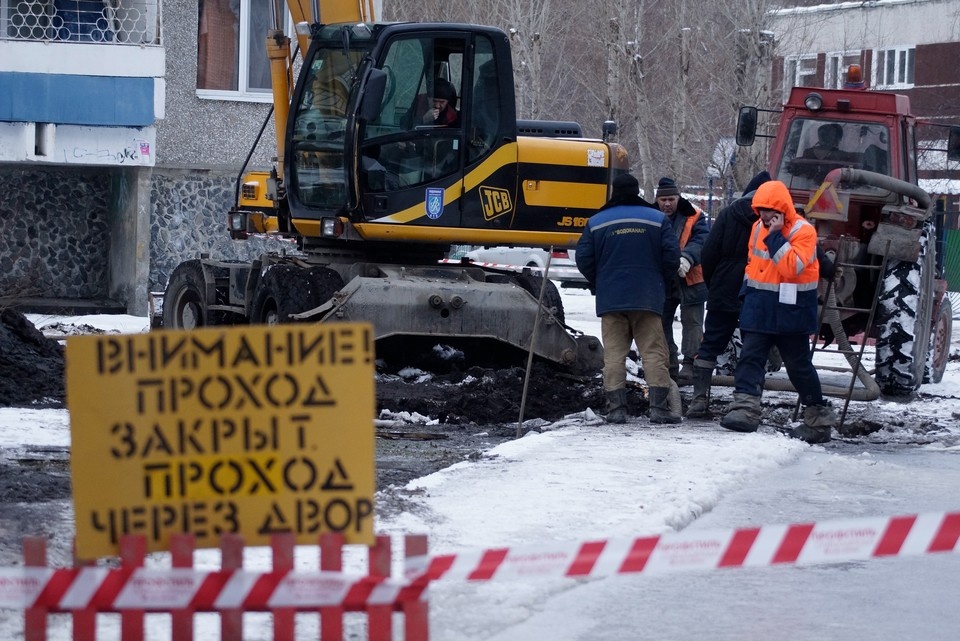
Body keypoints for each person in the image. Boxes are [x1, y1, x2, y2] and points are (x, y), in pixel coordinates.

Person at [719, 180, 837, 444]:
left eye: (770, 210)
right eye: (761, 210)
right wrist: (746, 295)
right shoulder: (756, 228)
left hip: (791, 311)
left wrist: (774, 236)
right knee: (750, 358)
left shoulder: (803, 232)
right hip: (760, 305)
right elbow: (753, 264)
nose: (764, 215)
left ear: (782, 209)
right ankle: (744, 411)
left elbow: (791, 267)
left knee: (798, 367)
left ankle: (818, 421)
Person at [576, 173, 682, 425]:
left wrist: (599, 281)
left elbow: (583, 259)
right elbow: (672, 257)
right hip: (648, 297)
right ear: (638, 192)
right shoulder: (658, 219)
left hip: (611, 298)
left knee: (613, 355)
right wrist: (660, 281)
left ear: (614, 192)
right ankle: (658, 409)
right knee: (654, 353)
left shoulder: (596, 221)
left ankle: (616, 411)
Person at [686, 170, 771, 418]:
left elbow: (709, 252)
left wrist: (715, 284)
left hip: (724, 285)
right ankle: (747, 403)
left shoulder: (728, 213)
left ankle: (699, 401)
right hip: (756, 286)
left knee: (710, 344)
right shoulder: (772, 218)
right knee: (754, 347)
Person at [654, 177, 709, 386]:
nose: (667, 204)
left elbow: (702, 240)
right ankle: (669, 365)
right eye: (663, 199)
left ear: (678, 198)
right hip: (664, 280)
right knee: (660, 323)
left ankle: (689, 364)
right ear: (657, 200)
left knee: (693, 323)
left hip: (691, 278)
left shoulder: (694, 216)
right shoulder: (651, 216)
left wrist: (687, 257)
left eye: (671, 199)